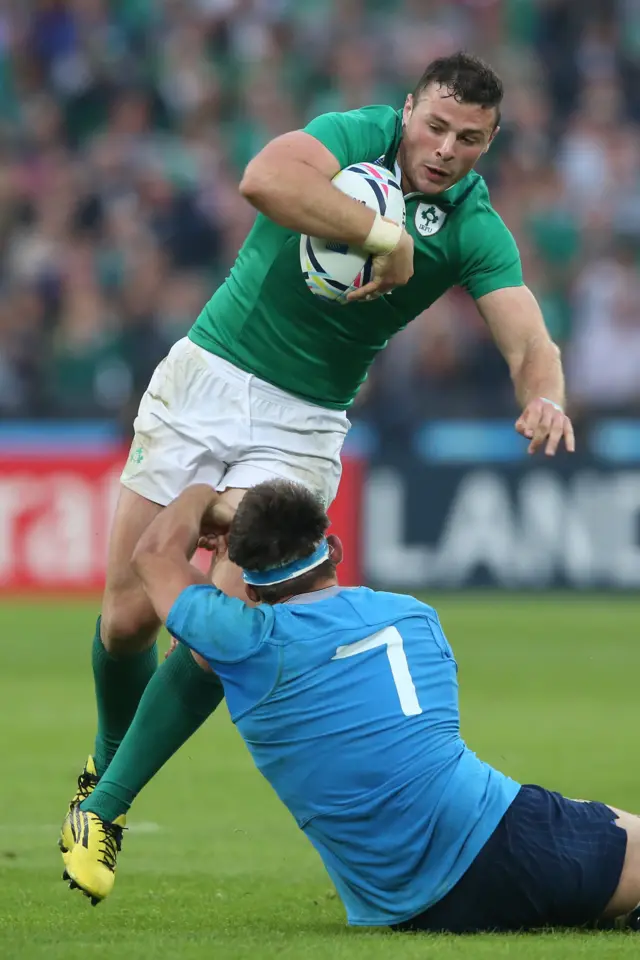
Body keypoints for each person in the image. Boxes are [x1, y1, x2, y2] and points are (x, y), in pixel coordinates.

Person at [59, 52, 576, 878]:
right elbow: (264, 178)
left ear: (490, 141)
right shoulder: (354, 136)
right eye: (436, 126)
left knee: (218, 633)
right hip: (208, 376)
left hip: (302, 427)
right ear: (409, 110)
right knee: (128, 617)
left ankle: (102, 812)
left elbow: (528, 337)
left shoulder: (476, 226)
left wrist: (545, 394)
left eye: (468, 138)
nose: (445, 148)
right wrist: (381, 236)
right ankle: (105, 761)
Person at [64, 479, 640, 933]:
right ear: (333, 547)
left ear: (251, 586)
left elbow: (152, 554)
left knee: (597, 821)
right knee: (608, 829)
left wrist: (208, 499)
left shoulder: (238, 640)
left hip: (402, 902)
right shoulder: (414, 615)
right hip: (499, 842)